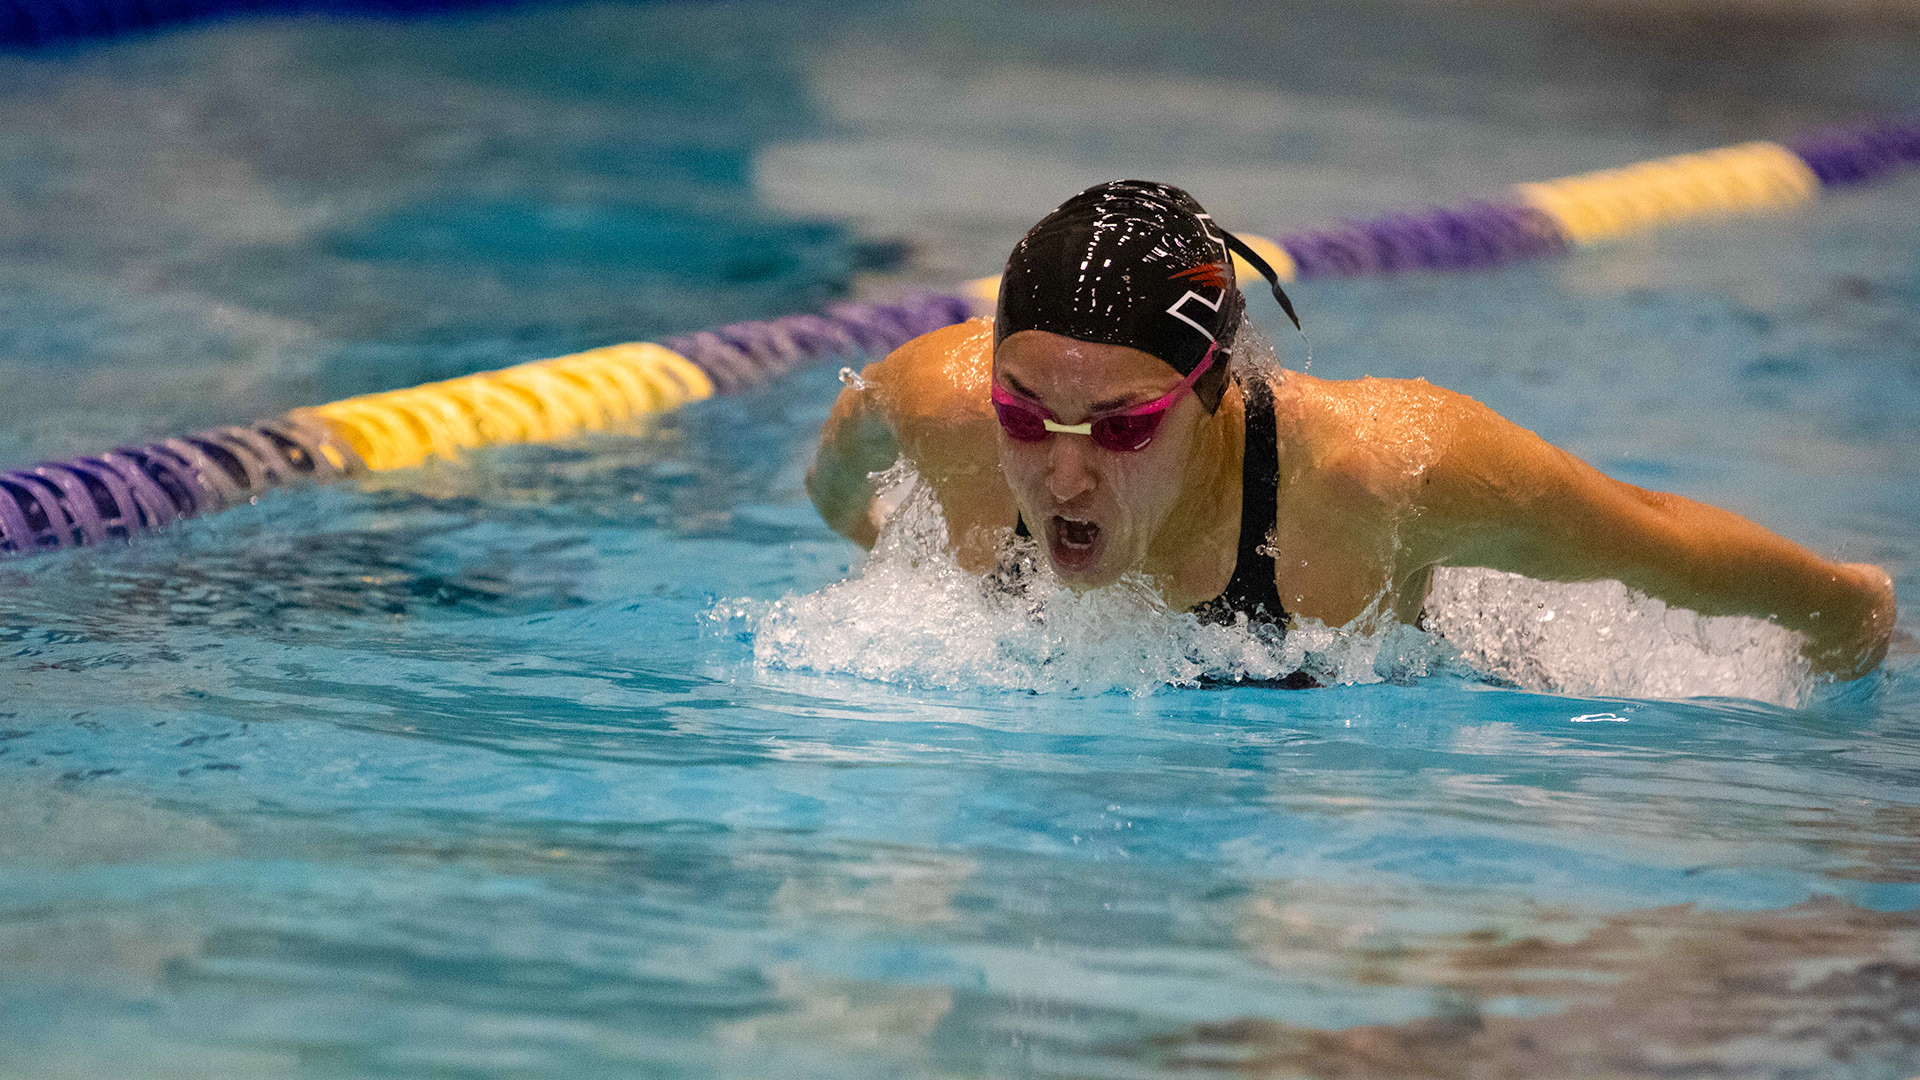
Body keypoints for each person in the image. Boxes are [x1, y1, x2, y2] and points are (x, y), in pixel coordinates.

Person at [806, 181, 1896, 680]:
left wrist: (1842, 608)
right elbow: (837, 470)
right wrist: (873, 539)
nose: (1066, 473)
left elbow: (1650, 537)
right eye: (1025, 416)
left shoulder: (1381, 479)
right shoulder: (943, 406)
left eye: (1123, 428)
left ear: (1212, 389)